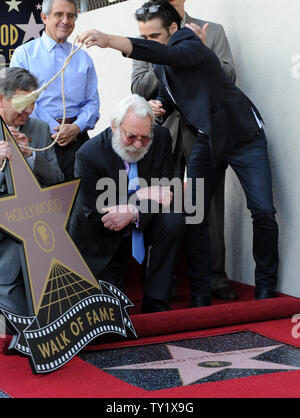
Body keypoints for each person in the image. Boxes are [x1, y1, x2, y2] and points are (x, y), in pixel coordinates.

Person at [77, 0, 279, 307]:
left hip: (243, 138)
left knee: (263, 210)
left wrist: (108, 40)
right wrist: (157, 107)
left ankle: (266, 287)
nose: (148, 43)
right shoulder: (162, 60)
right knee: (194, 213)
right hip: (207, 139)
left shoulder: (188, 42)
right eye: (142, 36)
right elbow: (174, 92)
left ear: (174, 30)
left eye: (154, 37)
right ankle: (200, 293)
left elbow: (168, 55)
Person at [131, 0, 238, 301]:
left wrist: (197, 53)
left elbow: (229, 76)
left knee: (208, 207)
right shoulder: (145, 37)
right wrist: (168, 56)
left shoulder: (212, 31)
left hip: (204, 131)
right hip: (166, 133)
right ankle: (170, 280)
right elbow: (138, 85)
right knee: (168, 207)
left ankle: (215, 279)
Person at [68, 94, 185, 314]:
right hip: (104, 235)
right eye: (131, 137)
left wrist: (132, 210)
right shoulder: (88, 155)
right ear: (115, 126)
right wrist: (143, 195)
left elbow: (166, 193)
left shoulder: (160, 137)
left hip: (143, 220)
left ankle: (156, 298)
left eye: (145, 137)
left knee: (173, 219)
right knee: (111, 316)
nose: (139, 144)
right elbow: (95, 214)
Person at [10, 0, 100, 180]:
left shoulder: (83, 58)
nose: (65, 20)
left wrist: (76, 127)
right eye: (59, 14)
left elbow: (92, 102)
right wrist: (53, 128)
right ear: (44, 17)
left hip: (78, 140)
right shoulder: (24, 55)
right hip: (36, 141)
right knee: (46, 202)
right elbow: (19, 101)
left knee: (82, 199)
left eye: (71, 15)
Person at [0, 67, 64, 317]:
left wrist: (31, 159)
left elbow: (57, 180)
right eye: (22, 103)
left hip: (35, 227)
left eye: (33, 102)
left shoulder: (37, 128)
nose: (29, 110)